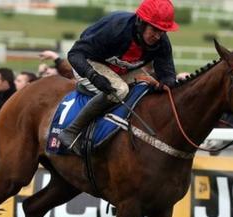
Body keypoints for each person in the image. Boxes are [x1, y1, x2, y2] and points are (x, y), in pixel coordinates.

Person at [58, 0, 179, 149]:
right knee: (120, 90)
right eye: (154, 29)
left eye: (162, 31)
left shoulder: (161, 42)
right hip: (89, 62)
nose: (158, 36)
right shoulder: (115, 28)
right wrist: (93, 76)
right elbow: (75, 54)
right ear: (141, 22)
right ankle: (71, 131)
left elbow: (168, 75)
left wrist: (163, 84)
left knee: (145, 86)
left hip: (121, 69)